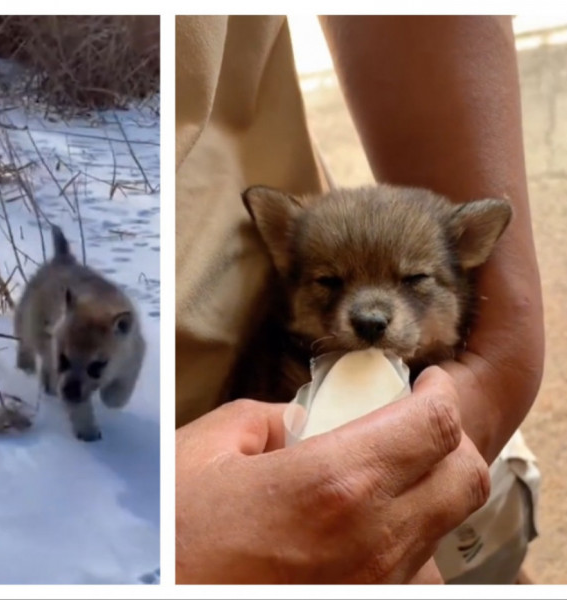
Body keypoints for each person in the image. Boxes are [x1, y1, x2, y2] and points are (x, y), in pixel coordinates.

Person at [175, 15, 545, 585]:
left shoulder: (451, 342)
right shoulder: (275, 367)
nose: (371, 312)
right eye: (331, 283)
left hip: (461, 431)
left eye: (414, 280)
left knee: (491, 550)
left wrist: (503, 365)